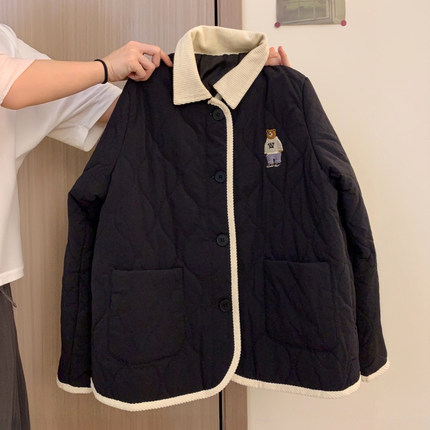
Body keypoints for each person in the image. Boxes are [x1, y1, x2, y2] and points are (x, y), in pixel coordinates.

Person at [0, 22, 290, 430]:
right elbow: (10, 85)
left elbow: (119, 108)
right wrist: (105, 66)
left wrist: (251, 89)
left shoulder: (5, 40)